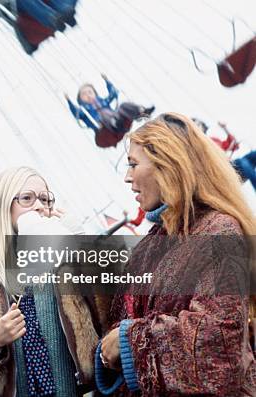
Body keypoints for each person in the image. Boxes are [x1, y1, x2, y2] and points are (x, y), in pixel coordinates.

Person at [96, 113, 255, 396]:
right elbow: (119, 320)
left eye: (133, 164)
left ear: (167, 164)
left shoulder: (219, 231)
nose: (127, 177)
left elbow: (218, 341)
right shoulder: (150, 244)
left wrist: (128, 341)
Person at [0, 166, 109, 396]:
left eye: (46, 200)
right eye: (27, 199)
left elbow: (108, 318)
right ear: (3, 205)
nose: (39, 206)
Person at [66, 75, 155, 135]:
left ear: (95, 93)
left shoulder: (103, 101)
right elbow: (76, 113)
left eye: (90, 92)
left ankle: (141, 112)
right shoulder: (84, 110)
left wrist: (107, 81)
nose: (88, 95)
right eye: (84, 94)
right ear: (80, 100)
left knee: (123, 106)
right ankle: (114, 123)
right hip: (103, 126)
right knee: (104, 115)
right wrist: (69, 101)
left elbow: (113, 94)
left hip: (116, 118)